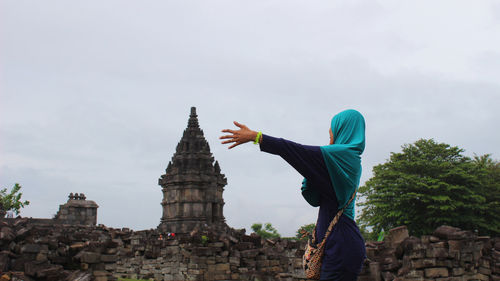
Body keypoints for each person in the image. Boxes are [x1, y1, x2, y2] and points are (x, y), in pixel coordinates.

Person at [220, 109, 366, 281]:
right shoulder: (343, 160)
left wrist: (257, 137)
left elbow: (296, 151)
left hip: (341, 245)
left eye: (331, 135)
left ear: (344, 131)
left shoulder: (344, 157)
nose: (330, 140)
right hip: (337, 243)